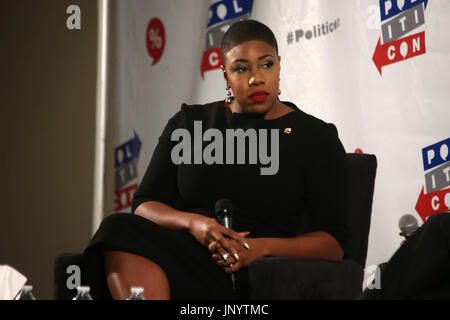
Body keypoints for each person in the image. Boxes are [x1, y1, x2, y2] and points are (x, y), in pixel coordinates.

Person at [82, 19, 349, 300]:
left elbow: (332, 243)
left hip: (255, 265)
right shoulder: (189, 123)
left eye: (266, 64)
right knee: (117, 227)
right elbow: (145, 204)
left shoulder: (315, 135)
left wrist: (258, 248)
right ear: (225, 75)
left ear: (279, 65)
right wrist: (195, 224)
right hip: (185, 249)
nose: (255, 78)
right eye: (241, 68)